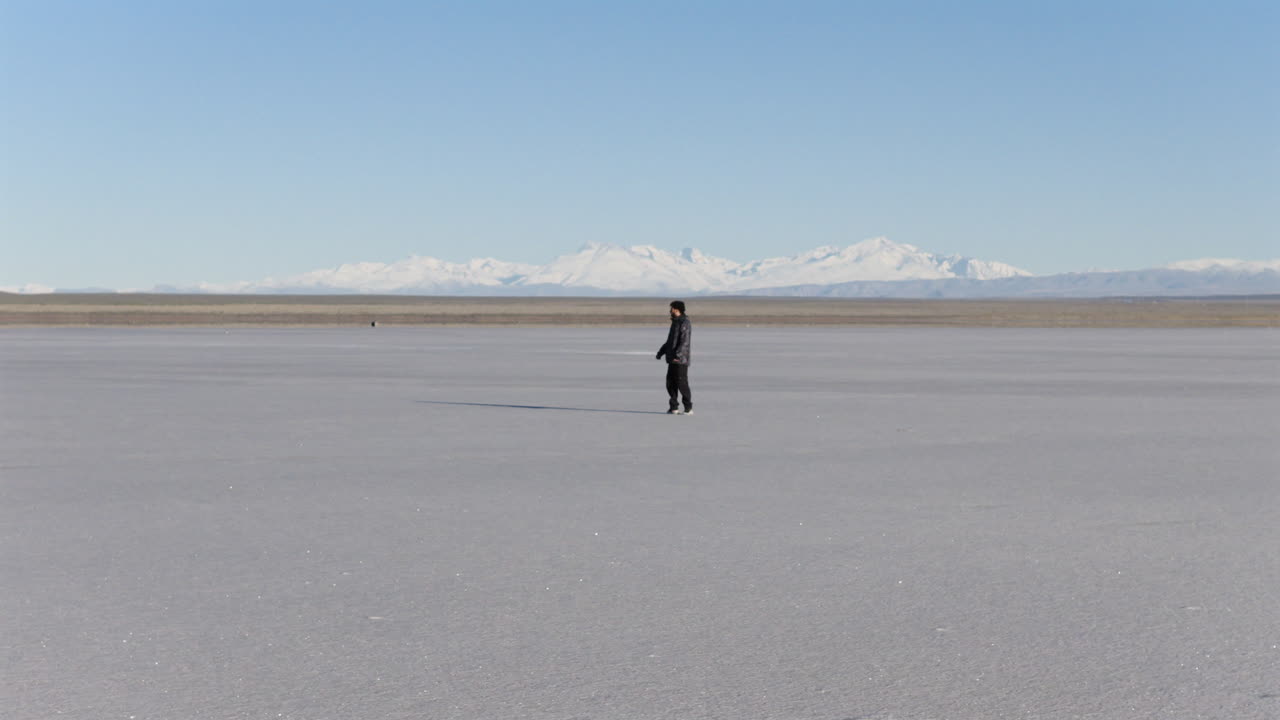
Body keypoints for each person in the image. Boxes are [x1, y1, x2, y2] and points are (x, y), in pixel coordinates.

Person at [655, 300, 693, 415]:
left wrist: (678, 355)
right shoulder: (675, 322)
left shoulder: (684, 322)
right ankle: (673, 407)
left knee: (682, 383)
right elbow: (670, 341)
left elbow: (684, 342)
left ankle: (688, 408)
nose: (670, 310)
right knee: (670, 383)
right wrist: (661, 352)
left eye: (671, 308)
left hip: (680, 360)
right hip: (672, 359)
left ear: (677, 309)